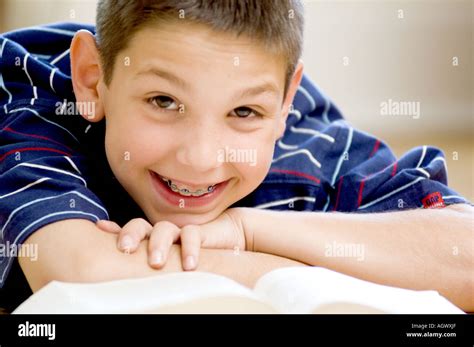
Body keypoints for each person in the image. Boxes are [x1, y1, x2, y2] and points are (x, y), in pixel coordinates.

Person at [0, 0, 472, 313]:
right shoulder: (23, 92)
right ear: (90, 77)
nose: (202, 158)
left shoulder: (304, 141)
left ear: (287, 101)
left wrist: (245, 231)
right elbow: (77, 268)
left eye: (243, 111)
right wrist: (328, 269)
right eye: (164, 101)